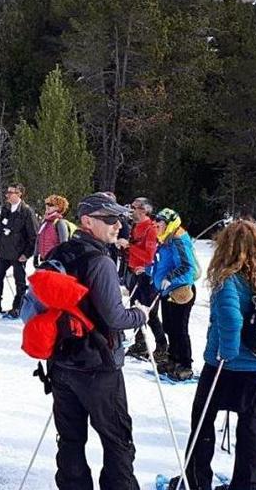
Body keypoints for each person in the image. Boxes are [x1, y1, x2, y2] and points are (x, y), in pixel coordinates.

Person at [167, 220, 256, 490]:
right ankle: (247, 483)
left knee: (203, 423)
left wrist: (226, 352)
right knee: (251, 427)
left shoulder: (228, 278)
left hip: (223, 367)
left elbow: (230, 319)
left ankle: (197, 481)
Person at [46, 192, 147, 489]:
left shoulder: (60, 252)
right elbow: (115, 318)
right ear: (87, 221)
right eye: (110, 219)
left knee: (70, 439)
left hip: (62, 362)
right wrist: (139, 315)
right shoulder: (99, 260)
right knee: (117, 440)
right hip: (98, 366)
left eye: (119, 219)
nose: (118, 226)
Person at [149, 208, 199, 381]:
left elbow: (187, 267)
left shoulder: (178, 240)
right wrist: (148, 271)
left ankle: (185, 364)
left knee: (180, 329)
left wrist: (170, 278)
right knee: (170, 327)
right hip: (167, 291)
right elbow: (161, 262)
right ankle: (173, 358)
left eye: (160, 223)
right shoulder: (165, 240)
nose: (156, 225)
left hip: (180, 292)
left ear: (169, 223)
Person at [0, 183, 38, 317]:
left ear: (19, 194)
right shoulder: (6, 209)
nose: (8, 195)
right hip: (4, 251)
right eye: (8, 192)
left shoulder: (26, 211)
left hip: (18, 253)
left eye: (11, 192)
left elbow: (33, 236)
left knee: (20, 281)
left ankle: (18, 306)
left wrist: (26, 254)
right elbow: (1, 230)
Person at [124, 197, 168, 361]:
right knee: (135, 307)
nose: (131, 210)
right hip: (134, 272)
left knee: (150, 311)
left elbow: (149, 257)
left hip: (147, 275)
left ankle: (162, 345)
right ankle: (140, 342)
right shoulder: (135, 226)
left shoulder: (150, 229)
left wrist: (129, 247)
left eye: (134, 207)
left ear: (144, 210)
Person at [34, 194, 71, 264]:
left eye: (51, 204)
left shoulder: (59, 223)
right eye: (47, 204)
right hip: (44, 259)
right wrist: (36, 256)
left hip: (55, 260)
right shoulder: (44, 222)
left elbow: (64, 244)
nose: (47, 206)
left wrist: (61, 260)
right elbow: (38, 240)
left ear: (58, 207)